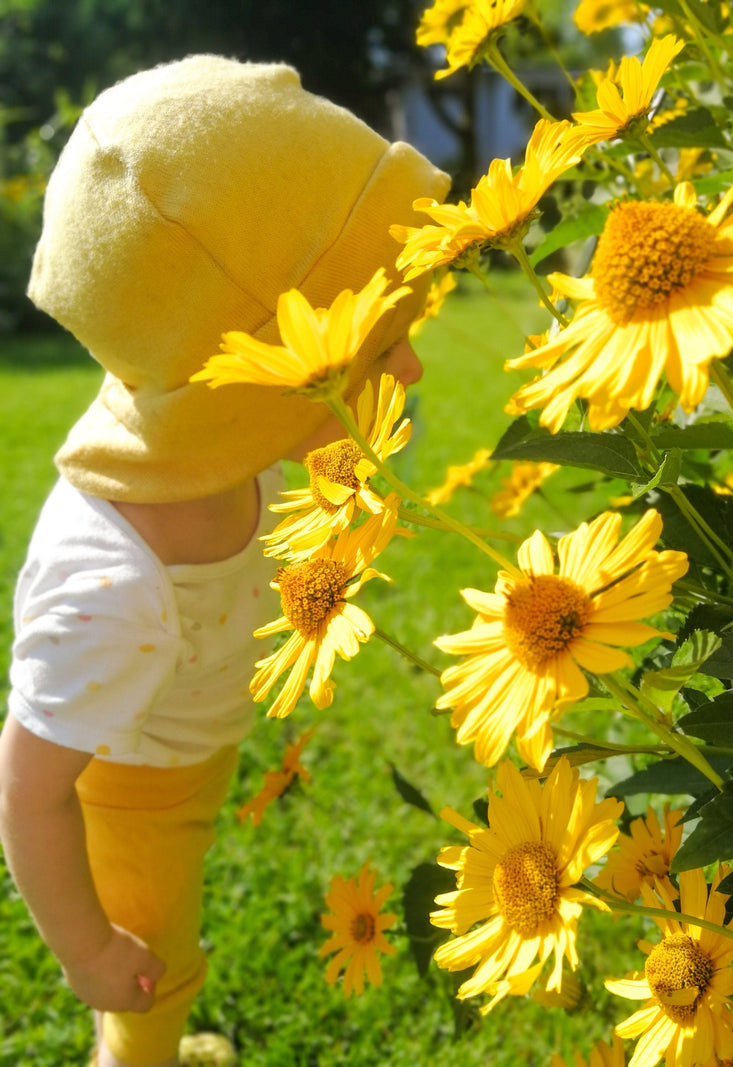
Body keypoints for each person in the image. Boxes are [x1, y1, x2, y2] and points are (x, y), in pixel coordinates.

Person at [0, 54, 448, 1067]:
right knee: (152, 951)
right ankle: (132, 1051)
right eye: (382, 351)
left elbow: (324, 467)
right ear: (257, 383)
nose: (412, 371)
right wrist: (82, 948)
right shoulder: (112, 588)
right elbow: (30, 788)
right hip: (130, 793)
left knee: (165, 932)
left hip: (191, 743)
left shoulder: (218, 447)